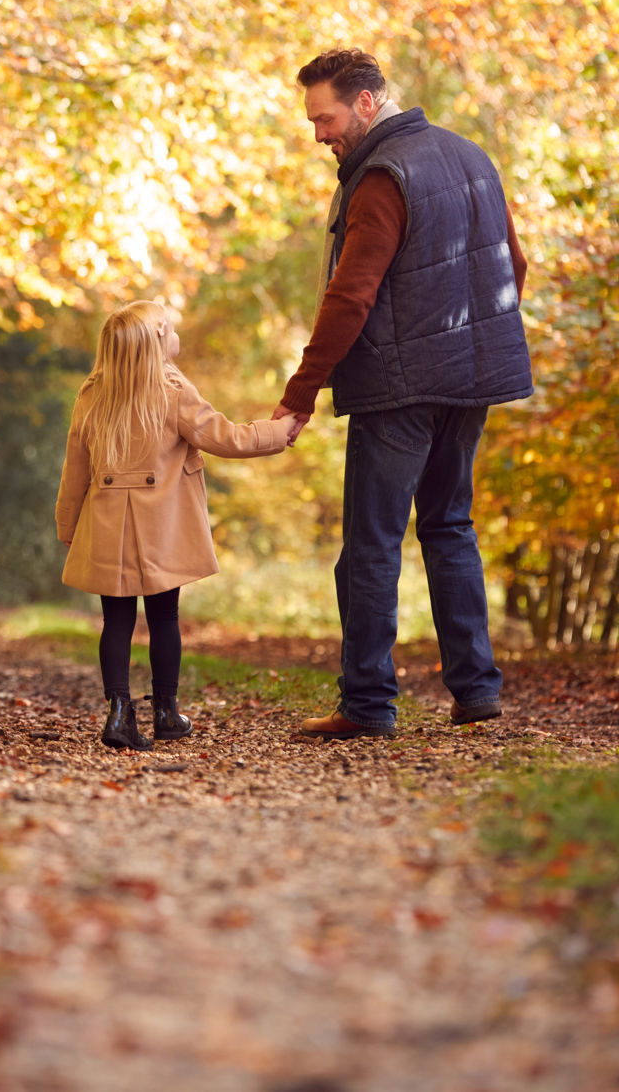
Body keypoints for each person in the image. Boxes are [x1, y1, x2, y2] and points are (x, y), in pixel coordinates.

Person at [272, 48, 532, 740]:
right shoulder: (471, 156)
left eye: (324, 119)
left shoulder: (383, 175)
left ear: (365, 102)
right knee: (450, 528)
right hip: (468, 383)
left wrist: (301, 393)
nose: (319, 135)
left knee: (371, 544)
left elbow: (351, 294)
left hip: (400, 388)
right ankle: (477, 692)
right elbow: (517, 265)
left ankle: (366, 704)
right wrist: (468, 344)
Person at [57, 301, 294, 751]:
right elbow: (224, 437)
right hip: (160, 527)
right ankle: (165, 712)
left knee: (116, 621)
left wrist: (68, 525)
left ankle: (119, 714)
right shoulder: (172, 389)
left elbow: (75, 468)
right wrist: (277, 431)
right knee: (164, 616)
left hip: (108, 527)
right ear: (160, 337)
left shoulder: (92, 394)